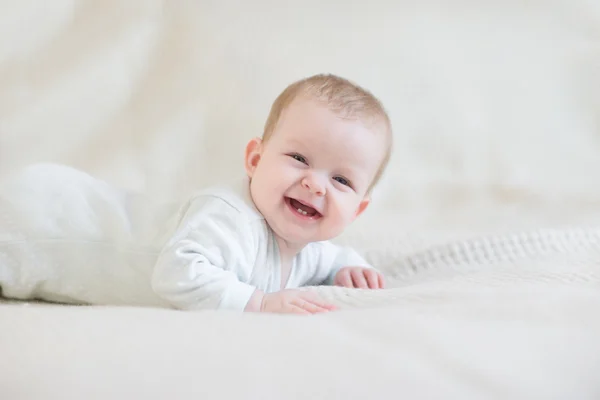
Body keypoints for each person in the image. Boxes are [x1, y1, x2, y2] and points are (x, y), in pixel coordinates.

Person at [0, 74, 393, 315]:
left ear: (357, 210)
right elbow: (176, 273)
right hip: (46, 220)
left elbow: (329, 257)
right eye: (298, 157)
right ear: (255, 159)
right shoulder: (228, 216)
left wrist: (349, 268)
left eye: (341, 181)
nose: (315, 184)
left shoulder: (305, 244)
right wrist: (259, 302)